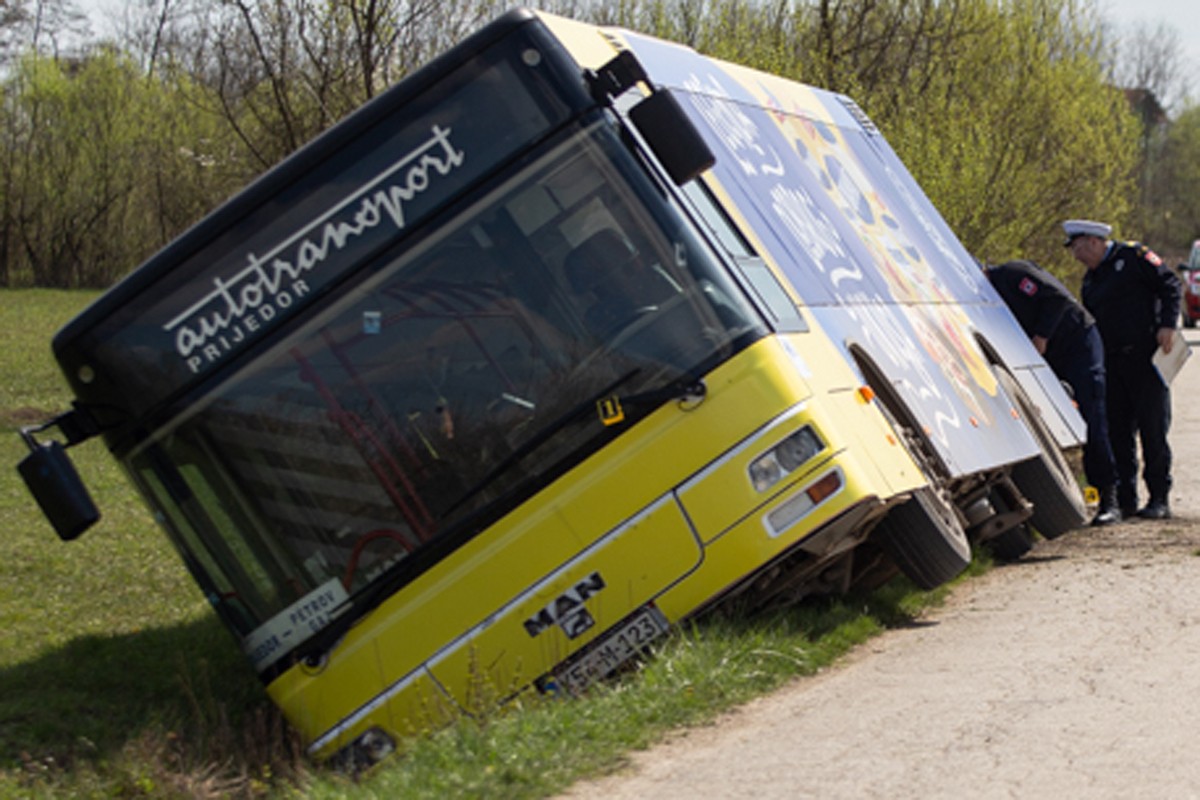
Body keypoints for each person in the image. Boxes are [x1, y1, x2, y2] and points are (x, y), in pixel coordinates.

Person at [984, 259, 1121, 525]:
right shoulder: (985, 297)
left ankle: (1109, 497)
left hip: (1077, 343)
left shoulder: (1014, 274)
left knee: (1091, 416)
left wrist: (1042, 335)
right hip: (1047, 357)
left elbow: (1056, 298)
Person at [1064, 219, 1182, 520]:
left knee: (1152, 430)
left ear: (1093, 241)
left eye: (1077, 247)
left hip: (1146, 358)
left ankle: (1159, 498)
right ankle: (1126, 500)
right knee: (1118, 433)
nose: (1075, 255)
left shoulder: (1134, 257)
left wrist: (1168, 324)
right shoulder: (1090, 281)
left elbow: (1170, 284)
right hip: (1112, 364)